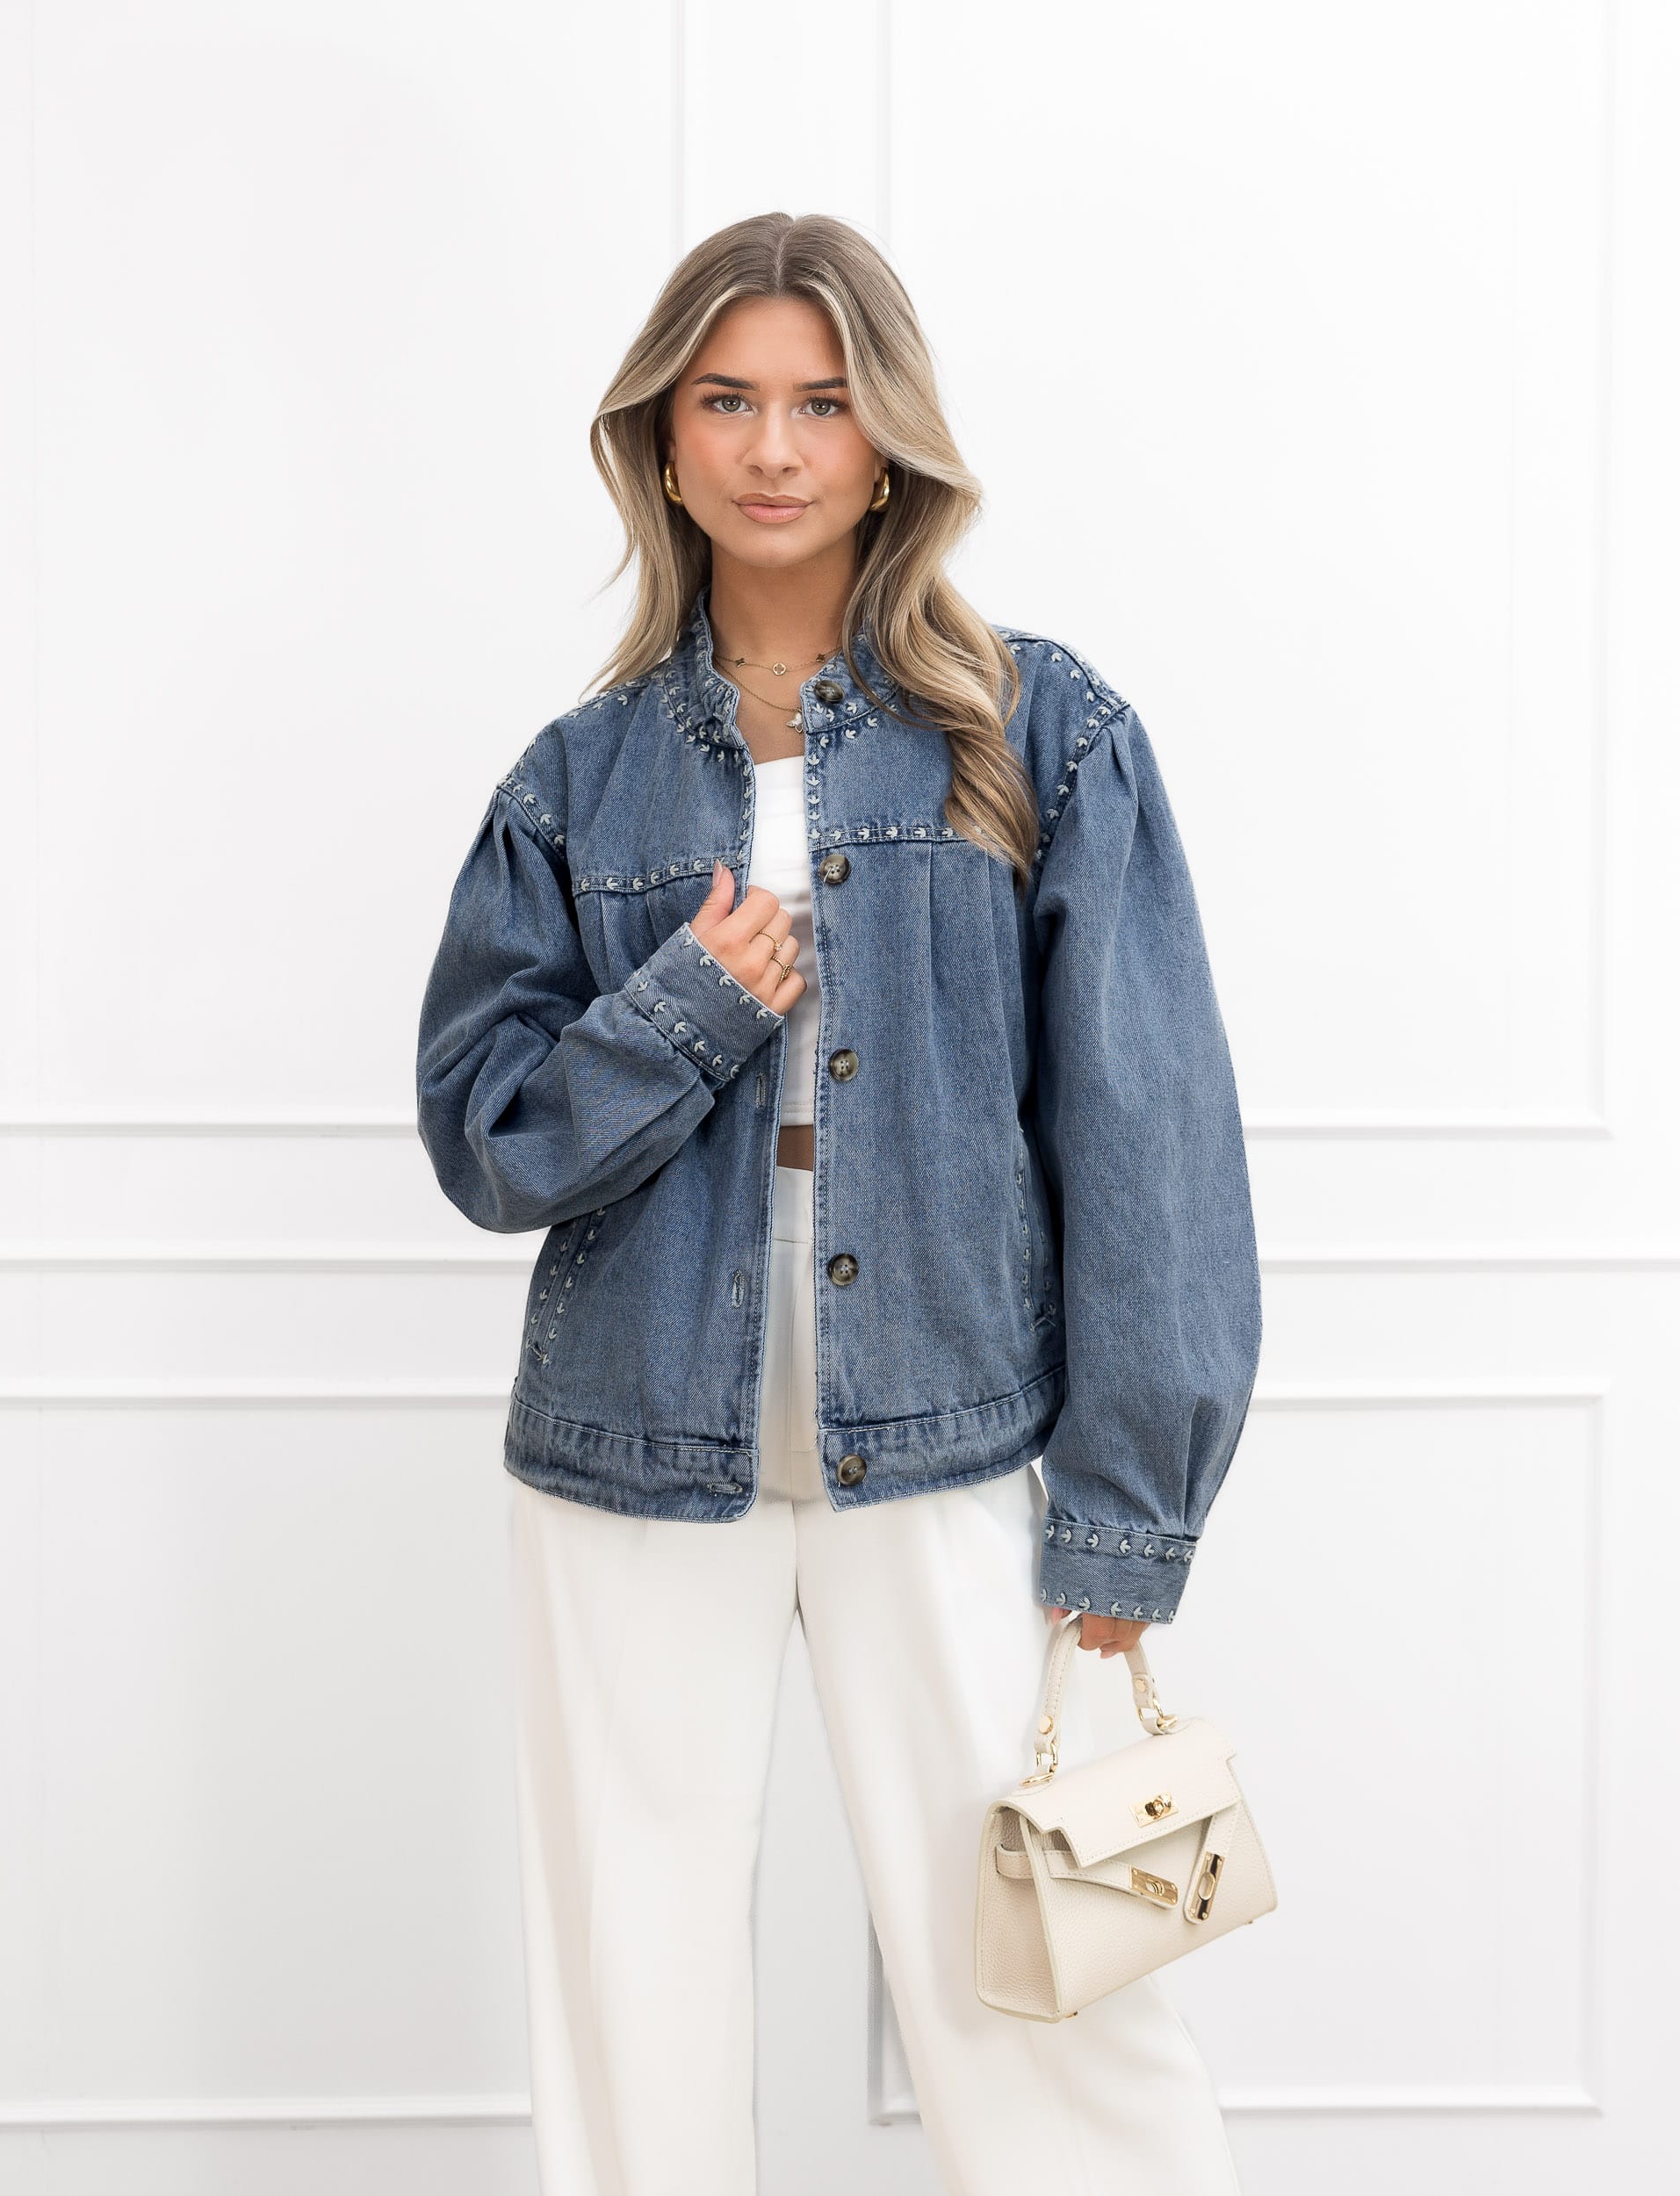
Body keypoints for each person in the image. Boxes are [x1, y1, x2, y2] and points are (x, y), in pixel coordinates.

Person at [415, 210, 1261, 2196]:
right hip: (629, 1437)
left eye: (821, 402)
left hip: (952, 1426)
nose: (775, 448)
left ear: (890, 442)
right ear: (664, 436)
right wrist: (688, 1010)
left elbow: (1152, 1139)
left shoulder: (1037, 731)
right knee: (630, 1987)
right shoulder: (579, 777)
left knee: (1048, 1980)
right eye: (727, 400)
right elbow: (488, 1140)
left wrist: (1131, 1504)